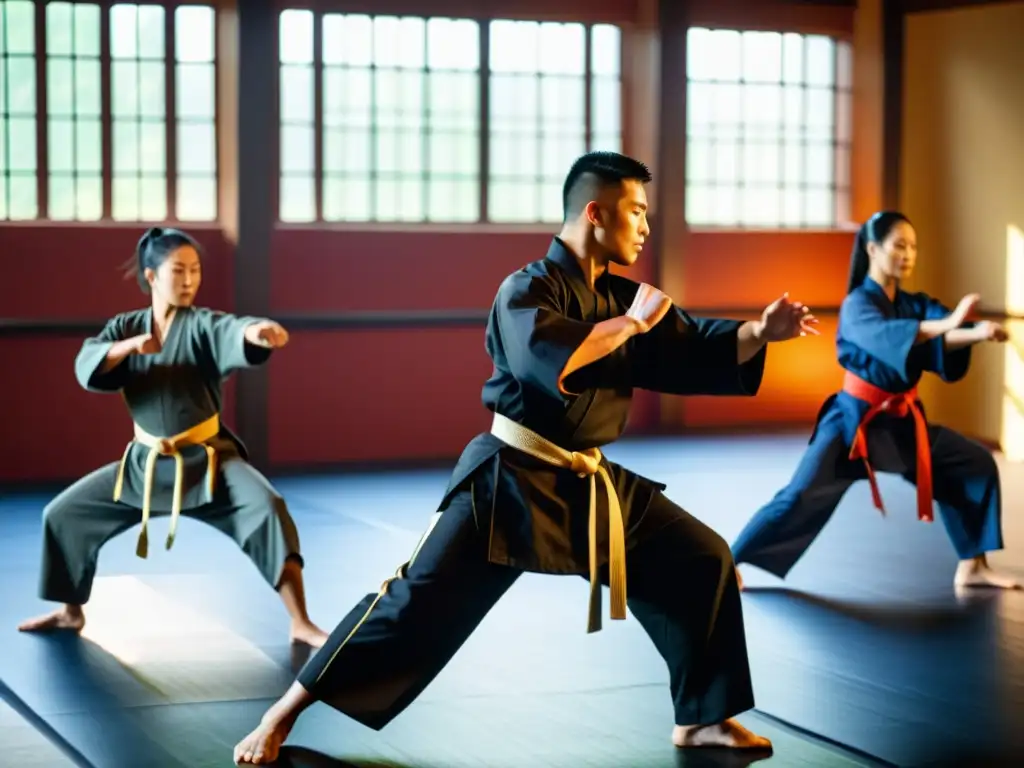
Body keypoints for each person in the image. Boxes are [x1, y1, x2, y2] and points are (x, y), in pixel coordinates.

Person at [233, 151, 818, 765]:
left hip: (587, 481)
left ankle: (703, 720)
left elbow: (691, 347)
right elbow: (556, 362)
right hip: (508, 481)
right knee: (414, 605)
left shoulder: (620, 296)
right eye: (637, 212)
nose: (646, 226)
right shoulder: (526, 288)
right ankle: (280, 716)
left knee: (700, 557)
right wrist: (630, 326)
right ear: (595, 212)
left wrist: (758, 333)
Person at [17, 226, 329, 648]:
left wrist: (256, 333)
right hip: (144, 466)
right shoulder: (125, 327)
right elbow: (87, 363)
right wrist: (128, 348)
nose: (188, 281)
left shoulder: (201, 325)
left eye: (195, 271)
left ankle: (300, 621)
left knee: (267, 507)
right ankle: (71, 612)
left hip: (210, 462)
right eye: (178, 271)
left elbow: (232, 331)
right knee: (64, 514)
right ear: (151, 276)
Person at [731, 211, 1018, 592]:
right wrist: (952, 326)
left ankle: (974, 565)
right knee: (798, 496)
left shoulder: (915, 304)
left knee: (972, 463)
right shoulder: (856, 306)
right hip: (852, 425)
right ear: (872, 249)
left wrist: (976, 332)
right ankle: (729, 562)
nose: (908, 254)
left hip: (902, 425)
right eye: (899, 245)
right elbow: (897, 336)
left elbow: (941, 333)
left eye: (913, 247)